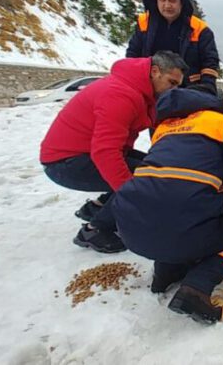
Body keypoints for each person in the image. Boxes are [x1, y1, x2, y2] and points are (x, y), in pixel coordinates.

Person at [112, 88, 223, 324]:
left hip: (131, 228)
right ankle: (196, 289)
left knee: (170, 215)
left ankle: (165, 273)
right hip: (180, 227)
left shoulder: (164, 129)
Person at [40, 51, 188, 253]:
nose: (174, 89)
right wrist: (131, 194)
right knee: (148, 179)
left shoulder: (139, 90)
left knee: (154, 165)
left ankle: (97, 207)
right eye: (172, 83)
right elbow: (106, 153)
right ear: (155, 72)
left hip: (81, 153)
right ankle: (94, 230)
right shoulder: (121, 95)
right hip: (66, 163)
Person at [126, 0, 220, 96]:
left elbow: (210, 63)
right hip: (148, 90)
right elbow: (132, 56)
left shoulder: (200, 29)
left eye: (172, 0)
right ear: (156, 0)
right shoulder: (144, 23)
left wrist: (206, 90)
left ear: (181, 1)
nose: (167, 5)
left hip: (187, 92)